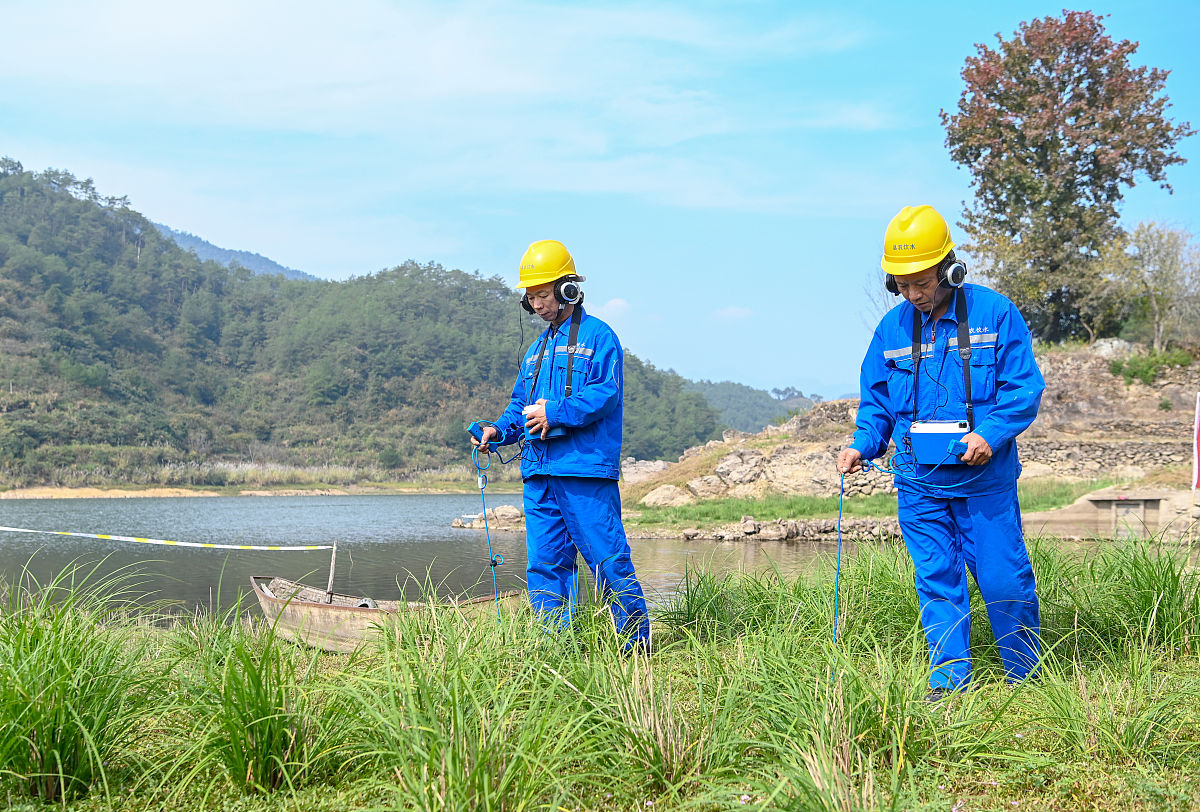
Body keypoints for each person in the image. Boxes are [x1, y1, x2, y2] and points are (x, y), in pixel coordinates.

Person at [836, 205, 1045, 698]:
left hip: (983, 483)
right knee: (937, 580)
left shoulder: (996, 314)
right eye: (901, 284)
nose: (912, 294)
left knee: (1002, 579)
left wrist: (989, 436)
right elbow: (878, 402)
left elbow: (1023, 391)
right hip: (917, 484)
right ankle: (950, 682)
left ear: (951, 268)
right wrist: (861, 444)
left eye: (921, 282)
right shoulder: (890, 331)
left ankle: (1026, 680)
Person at [470, 239, 651, 652]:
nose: (536, 304)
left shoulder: (600, 337)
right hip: (538, 473)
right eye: (530, 297)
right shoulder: (536, 350)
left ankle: (636, 647)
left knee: (608, 558)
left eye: (542, 294)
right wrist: (497, 431)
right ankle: (555, 649)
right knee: (546, 564)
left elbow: (606, 393)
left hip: (583, 469)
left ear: (568, 289)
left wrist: (557, 413)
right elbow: (521, 406)